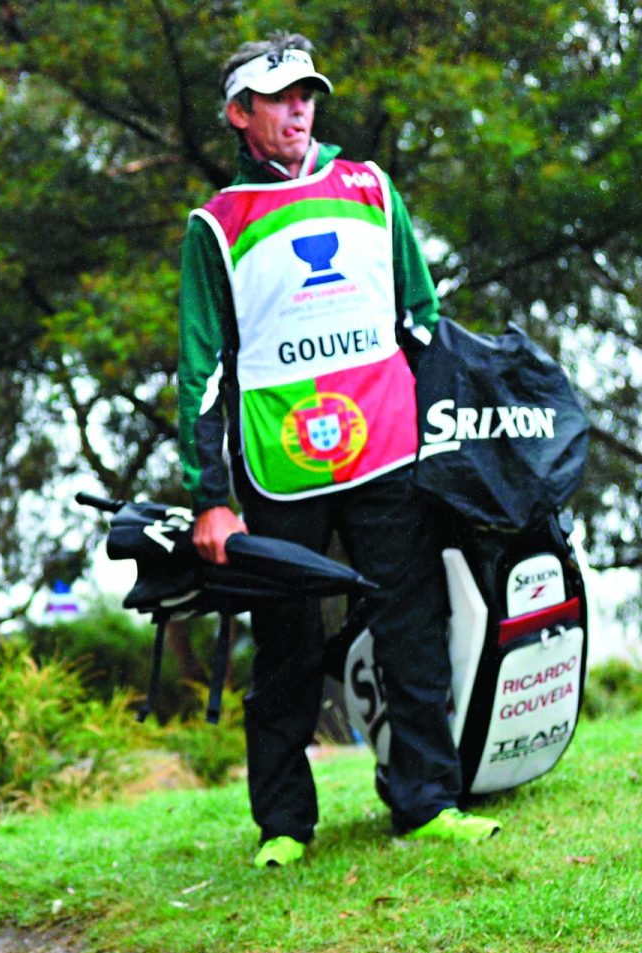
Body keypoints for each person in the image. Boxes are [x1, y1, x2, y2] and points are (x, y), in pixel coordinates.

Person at [176, 35, 502, 867]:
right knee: (285, 644)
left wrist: (448, 441)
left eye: (307, 94)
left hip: (390, 449)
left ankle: (428, 801)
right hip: (279, 463)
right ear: (239, 113)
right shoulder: (214, 226)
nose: (298, 109)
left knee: (411, 628)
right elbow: (203, 371)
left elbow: (422, 321)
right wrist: (211, 494)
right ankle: (284, 825)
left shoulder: (370, 187)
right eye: (278, 97)